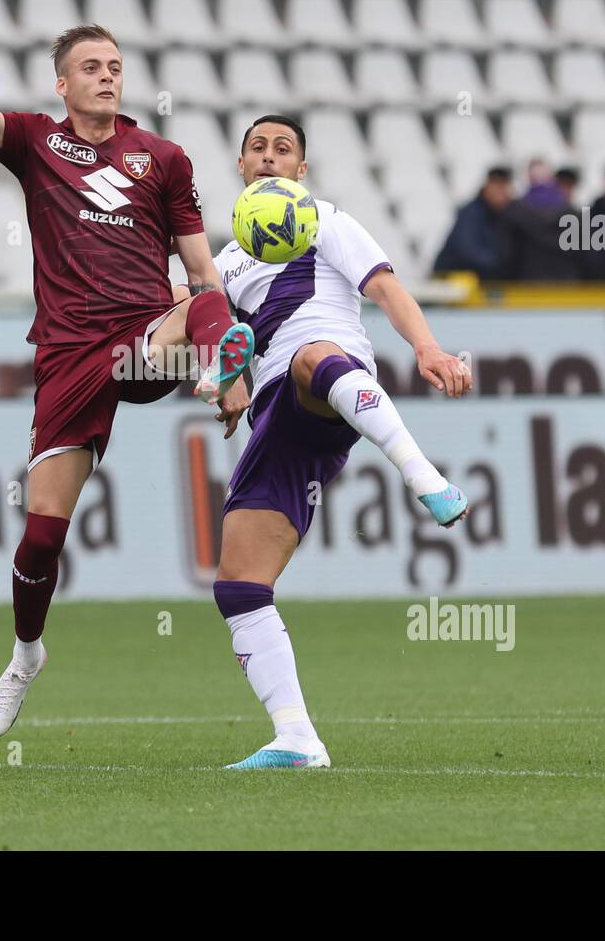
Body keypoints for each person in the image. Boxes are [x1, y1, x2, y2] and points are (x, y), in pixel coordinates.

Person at [0, 0, 254, 738]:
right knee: (41, 534)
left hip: (144, 336)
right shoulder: (32, 142)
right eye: (90, 66)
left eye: (116, 67)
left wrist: (215, 339)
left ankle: (232, 379)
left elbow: (197, 269)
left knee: (209, 297)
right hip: (68, 354)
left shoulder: (163, 158)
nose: (106, 76)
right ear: (61, 82)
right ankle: (26, 656)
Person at [197, 116, 472, 770]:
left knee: (309, 354)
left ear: (301, 169)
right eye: (258, 148)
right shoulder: (226, 260)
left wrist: (427, 347)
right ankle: (296, 736)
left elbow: (383, 285)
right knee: (239, 582)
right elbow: (222, 333)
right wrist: (225, 378)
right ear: (241, 166)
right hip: (278, 418)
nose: (269, 156)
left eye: (283, 148)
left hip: (330, 376)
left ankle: (423, 476)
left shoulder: (325, 222)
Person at [431, 166, 512, 279]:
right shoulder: (470, 213)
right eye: (496, 185)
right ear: (487, 186)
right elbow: (468, 251)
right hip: (450, 280)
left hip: (476, 281)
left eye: (503, 186)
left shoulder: (506, 215)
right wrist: (502, 265)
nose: (500, 192)